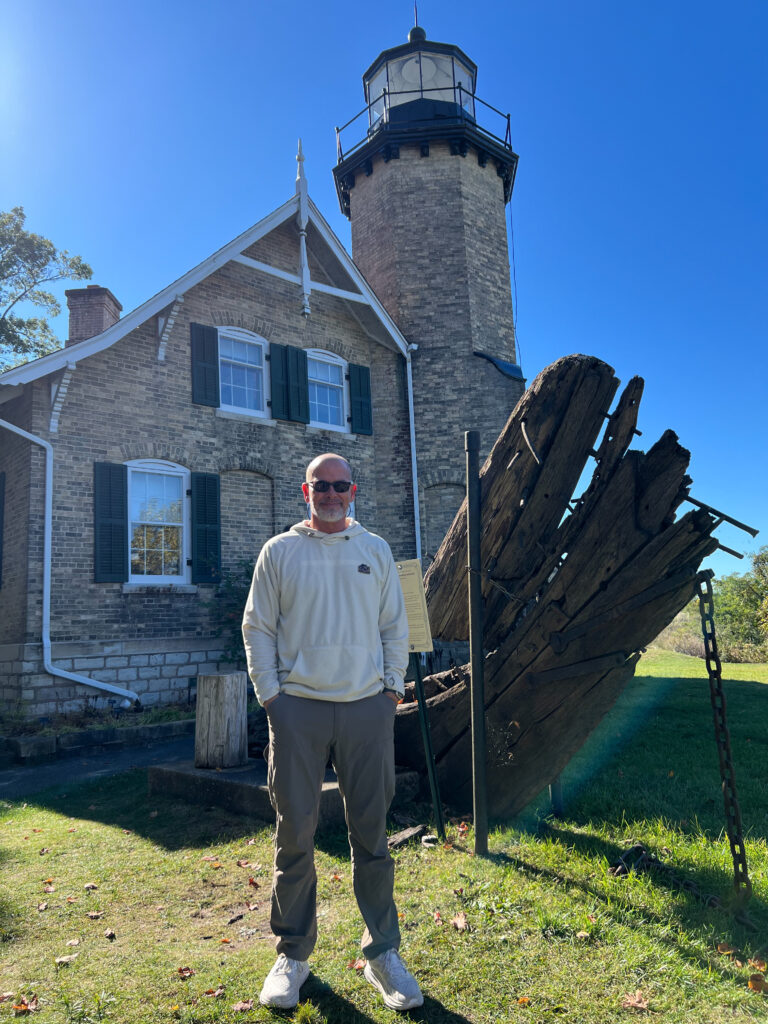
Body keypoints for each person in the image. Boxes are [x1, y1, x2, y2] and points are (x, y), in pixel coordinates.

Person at [242, 452, 423, 1012]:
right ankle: (293, 955)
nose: (331, 493)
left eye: (340, 485)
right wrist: (273, 698)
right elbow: (258, 627)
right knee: (294, 834)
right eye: (321, 485)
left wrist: (391, 689)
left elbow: (396, 624)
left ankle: (383, 955)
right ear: (306, 490)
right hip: (298, 710)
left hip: (367, 709)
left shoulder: (376, 550)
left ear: (353, 491)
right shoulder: (280, 551)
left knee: (372, 835)